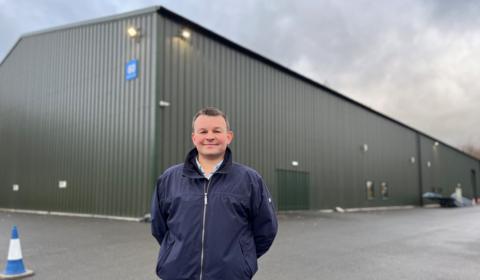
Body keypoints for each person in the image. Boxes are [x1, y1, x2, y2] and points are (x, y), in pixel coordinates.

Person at [151, 107, 278, 280]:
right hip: (178, 273)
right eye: (203, 131)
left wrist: (242, 258)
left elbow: (266, 229)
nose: (209, 136)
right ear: (194, 138)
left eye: (217, 131)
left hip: (230, 275)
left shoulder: (249, 180)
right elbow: (159, 227)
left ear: (229, 136)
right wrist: (174, 252)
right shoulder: (169, 179)